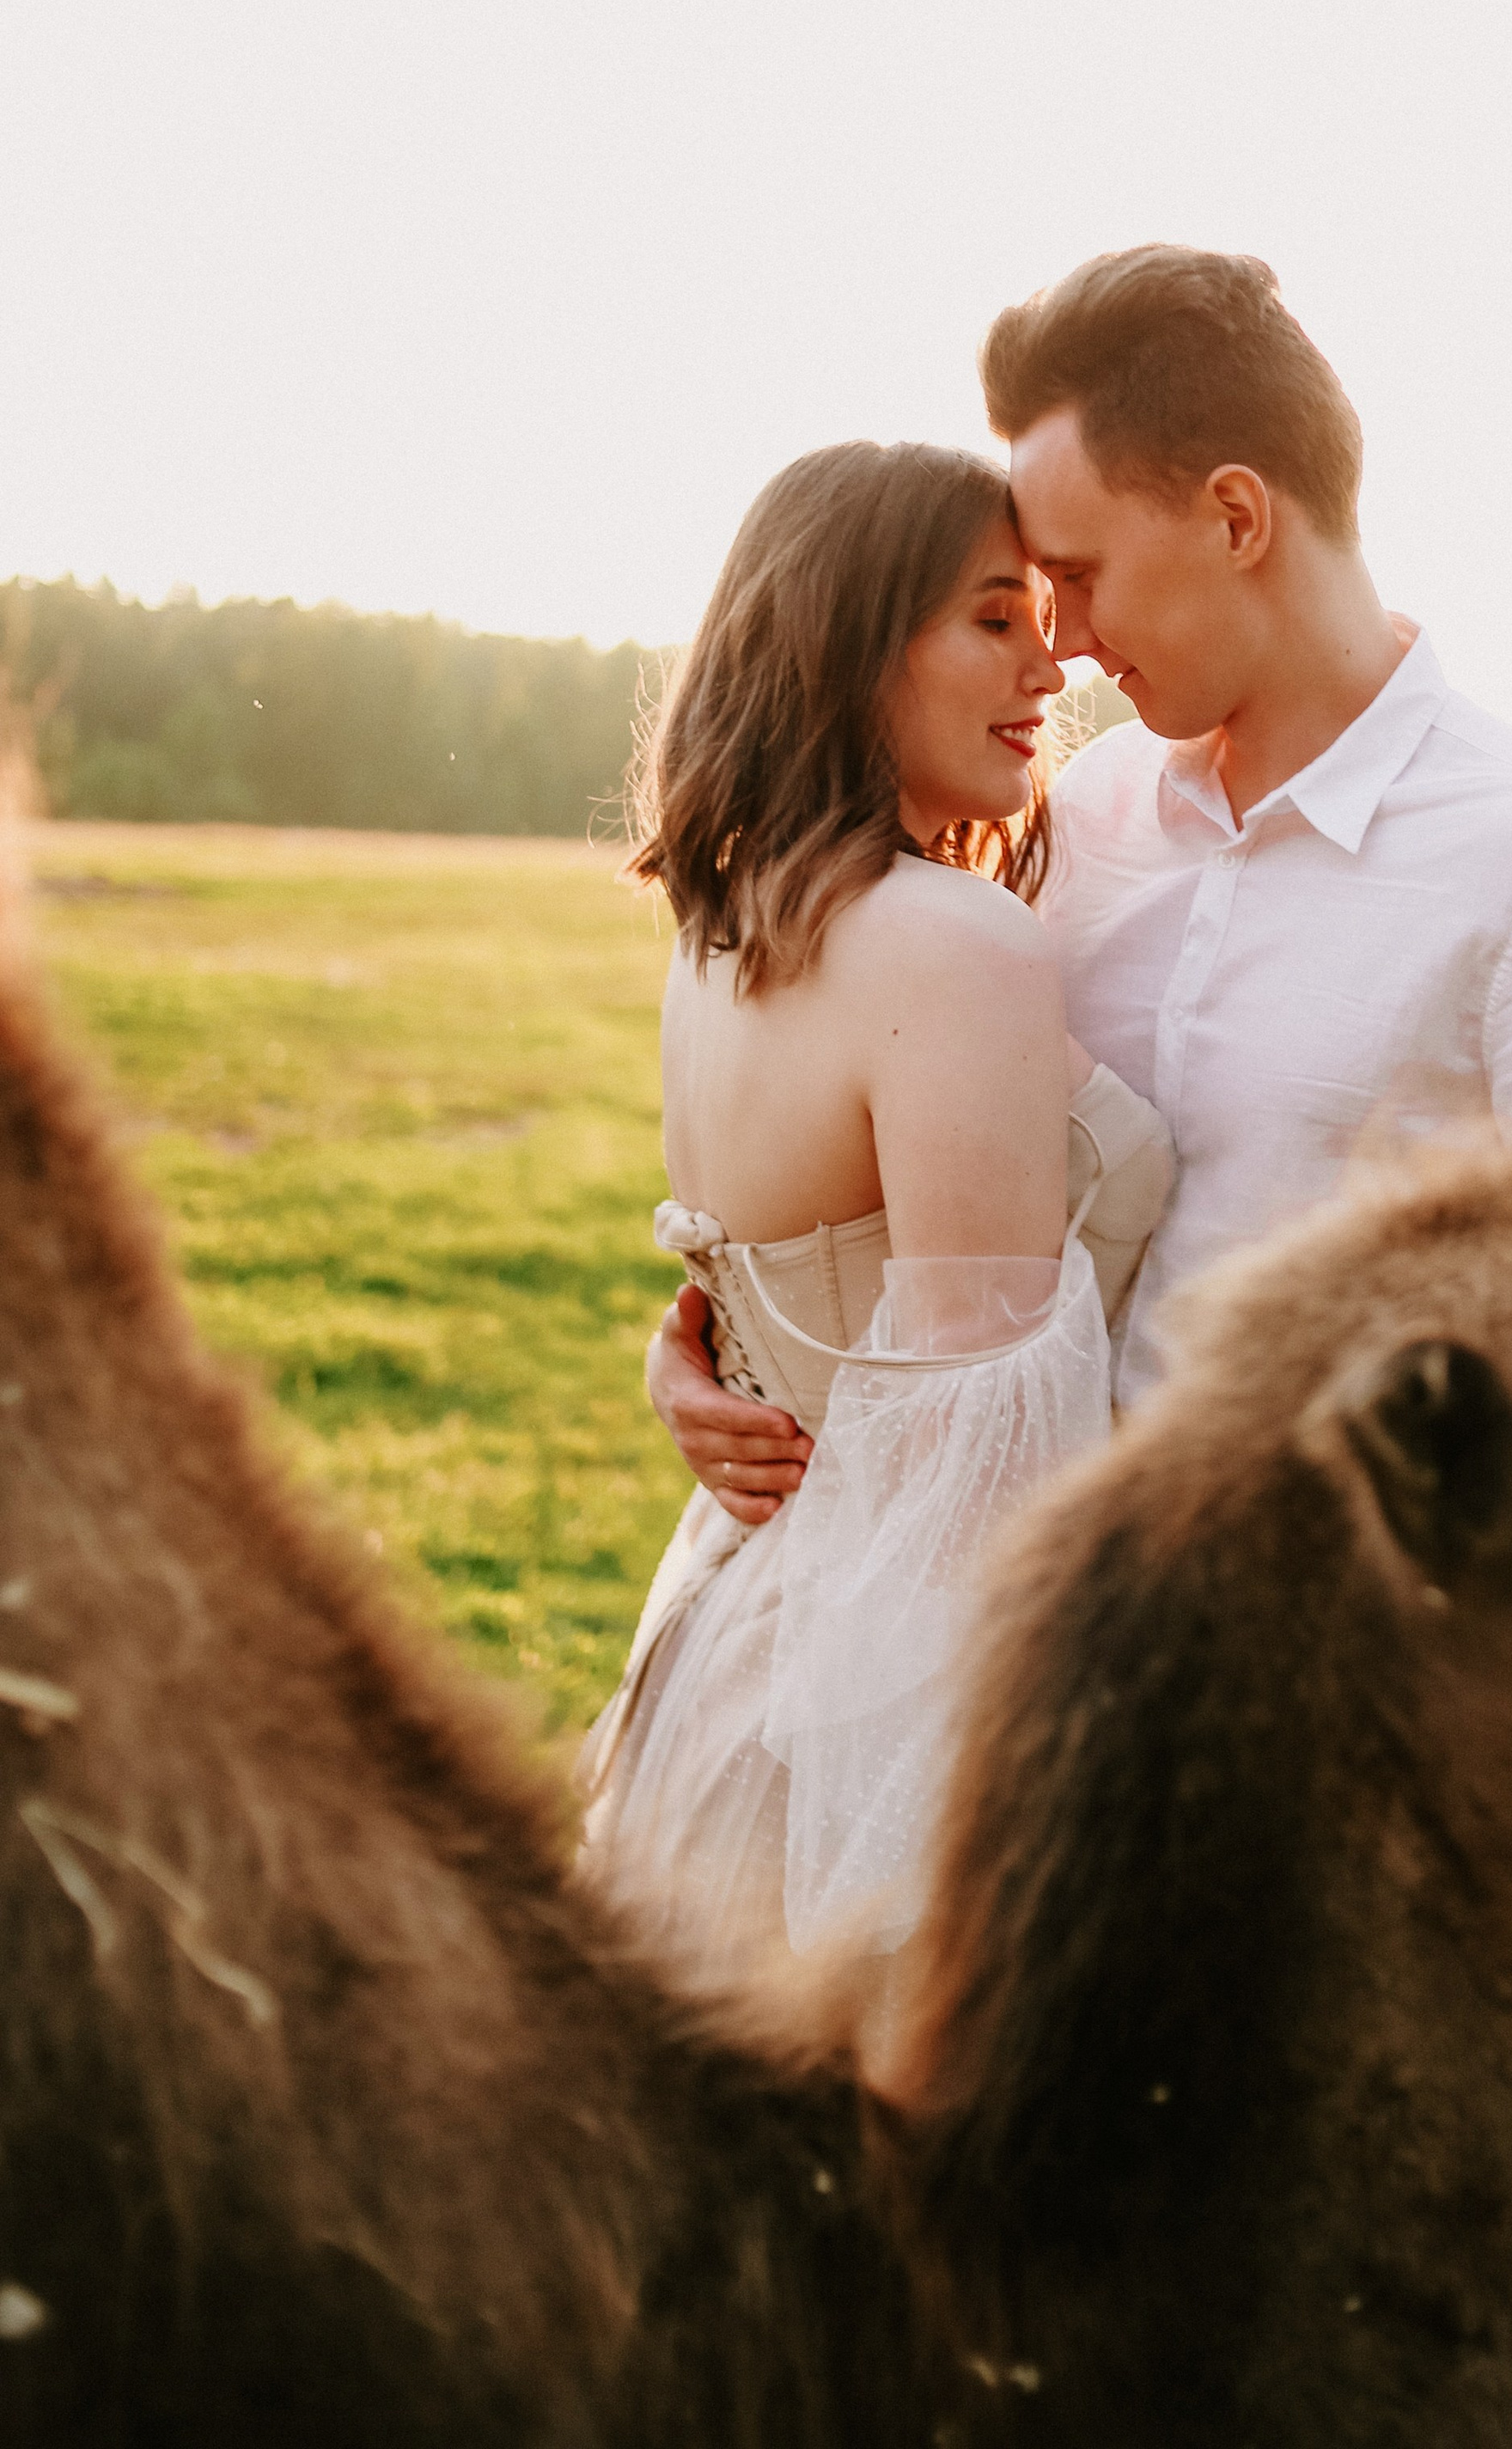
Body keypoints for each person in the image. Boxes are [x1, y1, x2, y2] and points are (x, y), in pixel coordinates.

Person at [649, 243, 1512, 1521]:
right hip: (1004, 1601)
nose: (1062, 642)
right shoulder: (1080, 816)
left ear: (1237, 519)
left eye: (1077, 578)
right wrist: (719, 1357)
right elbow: (917, 1199)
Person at [577, 440, 1173, 1975]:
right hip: (876, 1707)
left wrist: (686, 1368)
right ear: (847, 643)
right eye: (994, 618)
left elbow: (756, 1289)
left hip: (737, 1643)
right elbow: (977, 1458)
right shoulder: (951, 945)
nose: (1053, 669)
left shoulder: (723, 933)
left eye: (1046, 617)